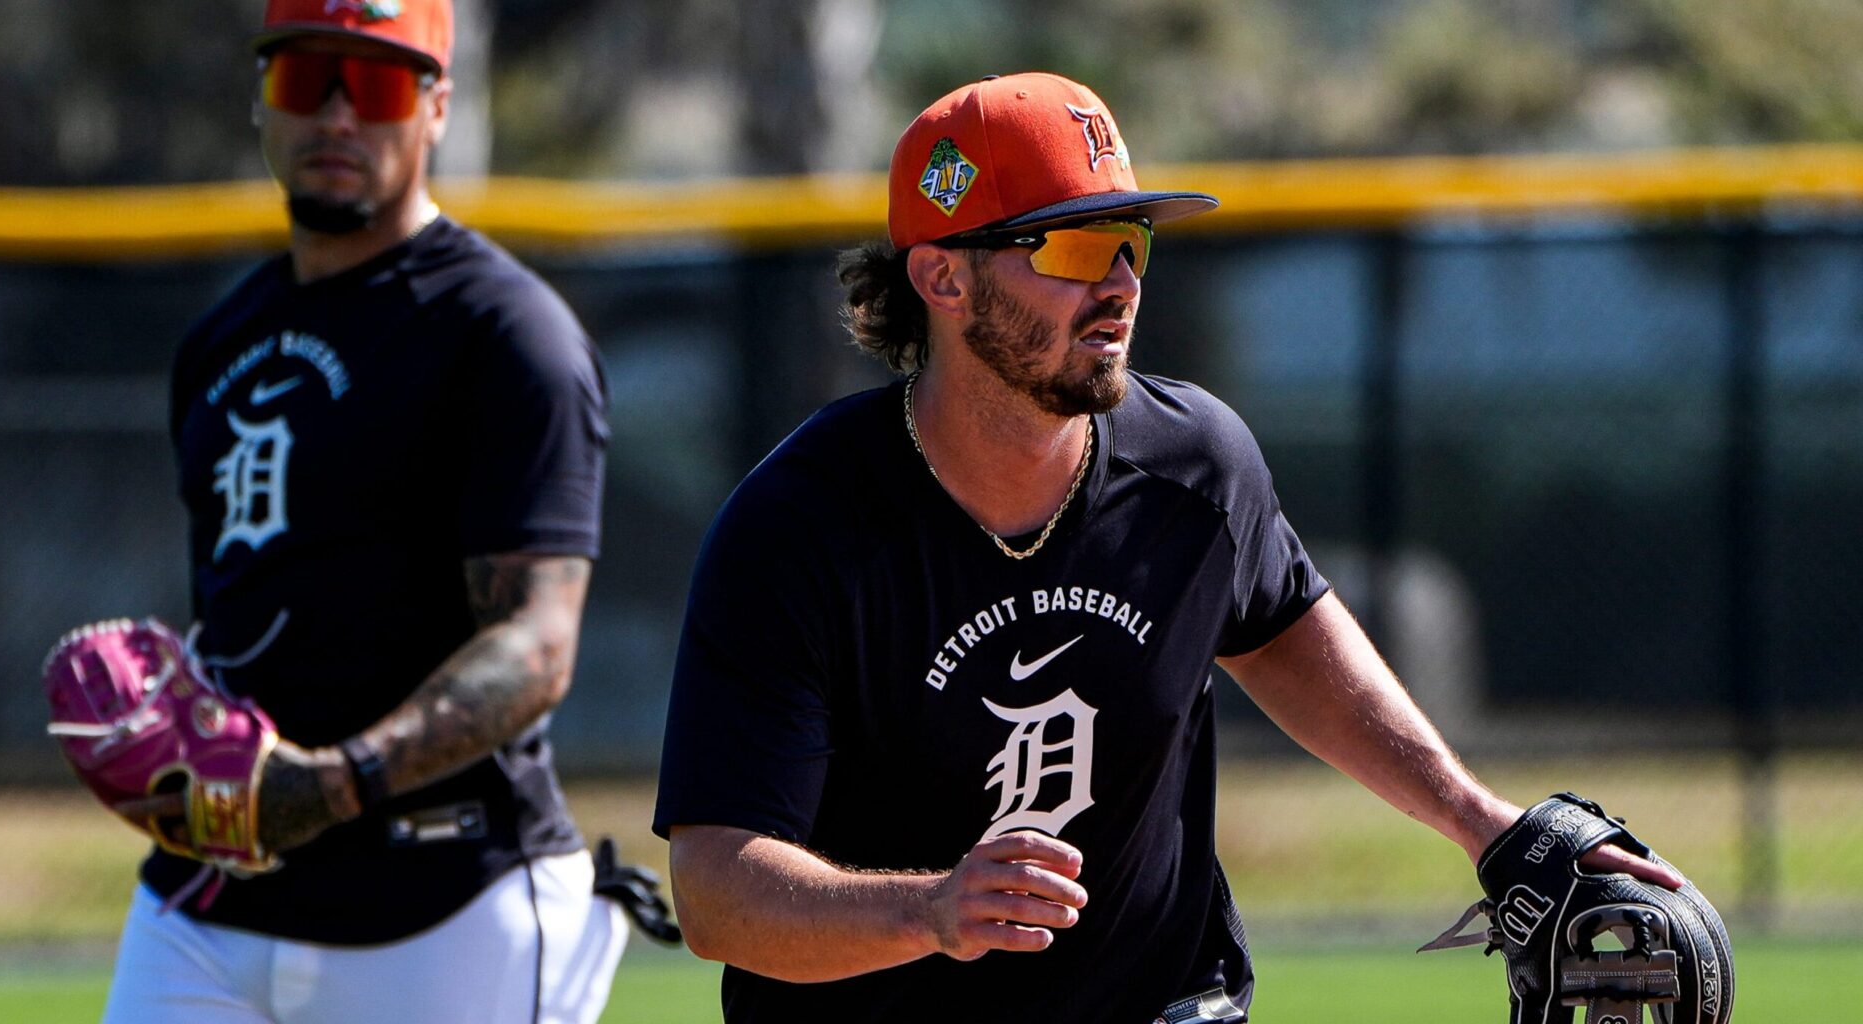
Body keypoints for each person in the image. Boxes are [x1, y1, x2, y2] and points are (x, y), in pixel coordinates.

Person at [651, 72, 1683, 1023]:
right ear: (942, 277)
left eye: (1131, 241)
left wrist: (1483, 822)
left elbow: (1283, 636)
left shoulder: (1195, 465)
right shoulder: (798, 530)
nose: (1120, 283)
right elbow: (715, 890)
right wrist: (931, 910)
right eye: (1071, 248)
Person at [99, 1, 627, 1021]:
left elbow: (537, 644)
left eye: (378, 84)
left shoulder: (506, 333)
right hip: (212, 898)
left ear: (436, 108)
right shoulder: (219, 342)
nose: (338, 116)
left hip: (447, 901)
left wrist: (335, 783)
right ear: (263, 101)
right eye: (308, 79)